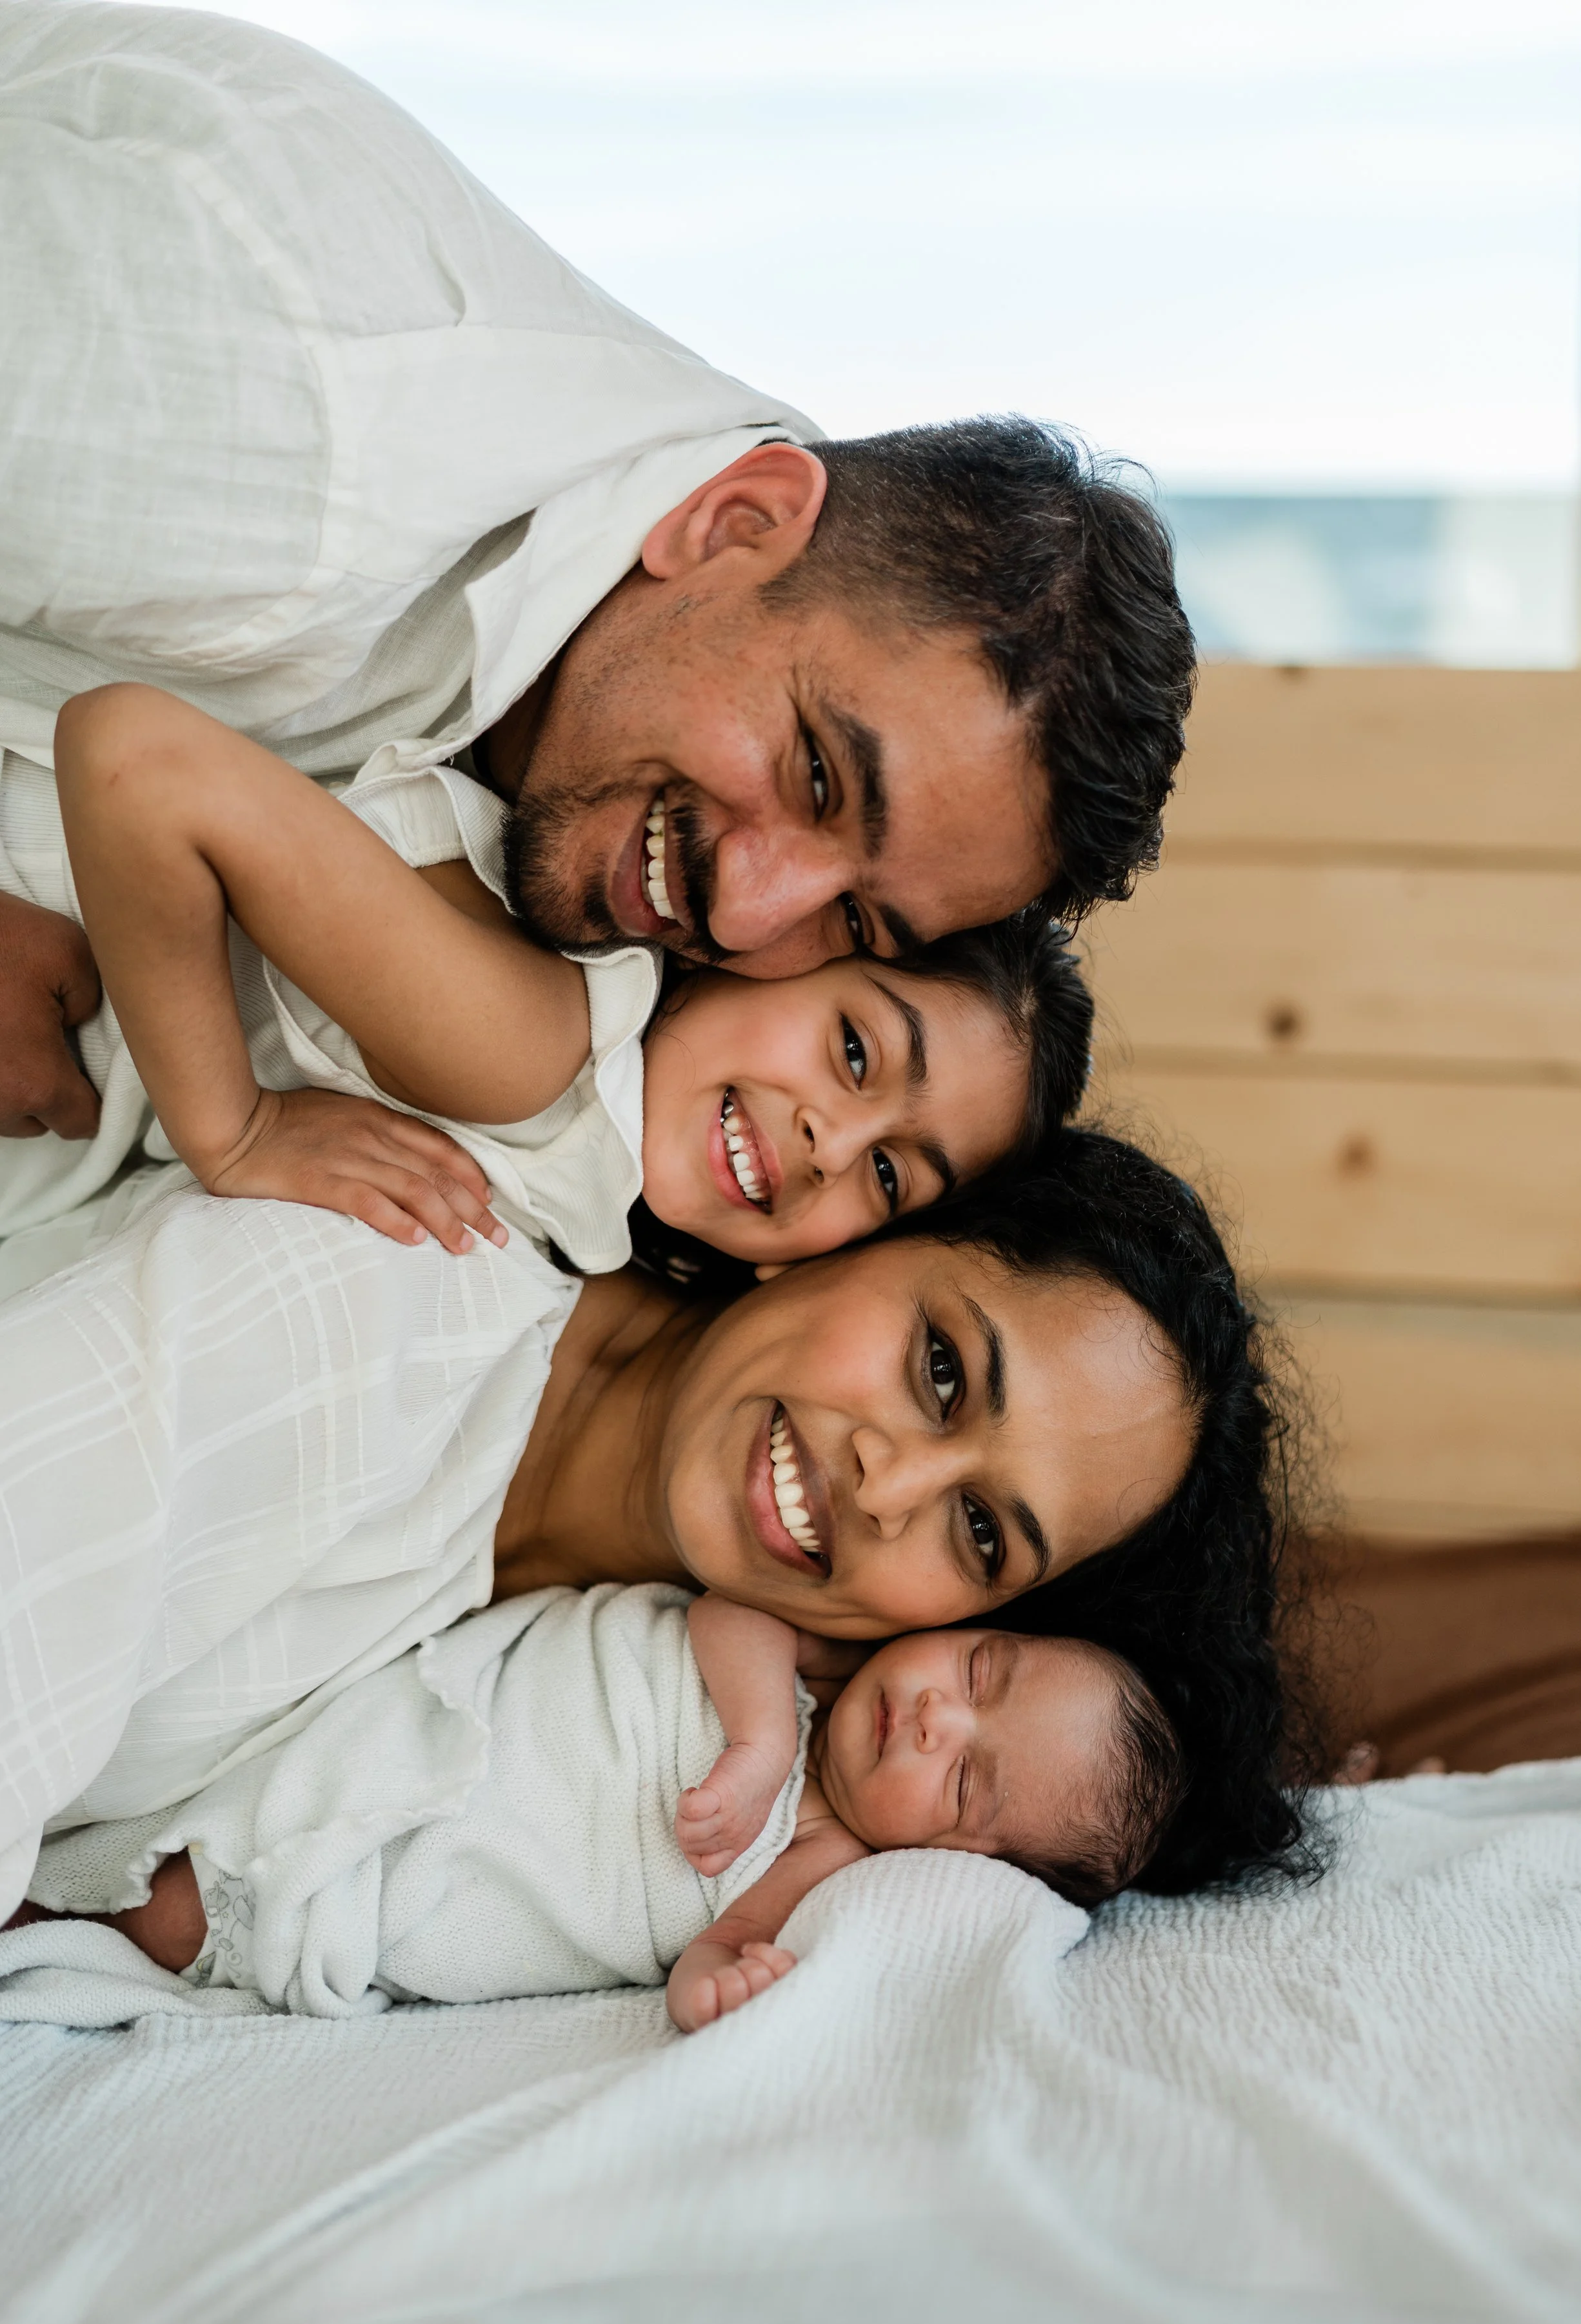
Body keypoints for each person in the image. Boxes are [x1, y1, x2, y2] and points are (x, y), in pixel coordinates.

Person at [0, 2, 1194, 1206]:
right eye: (820, 776)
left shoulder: (697, 641)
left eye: (860, 923)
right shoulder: (278, 430)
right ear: (733, 523)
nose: (750, 917)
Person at [0, 1129, 1310, 1923]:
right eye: (941, 1370)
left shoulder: (553, 1688)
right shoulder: (385, 1284)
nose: (888, 1484)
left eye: (977, 1533)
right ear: (848, 1233)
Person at [3, 682, 1091, 1278]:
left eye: (892, 1179)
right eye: (856, 1052)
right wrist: (234, 1132)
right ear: (770, 954)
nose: (832, 1146)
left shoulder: (567, 1152)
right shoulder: (529, 1050)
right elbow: (136, 761)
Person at [10, 1583, 1248, 2032]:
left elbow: (712, 1944)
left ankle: (33, 1918)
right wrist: (763, 1735)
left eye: (967, 1776)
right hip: (420, 1719)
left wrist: (716, 1985)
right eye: (981, 1673)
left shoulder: (822, 1864)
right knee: (175, 1767)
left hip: (432, 1880)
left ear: (967, 1858)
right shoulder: (815, 1658)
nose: (936, 1718)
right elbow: (724, 1605)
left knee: (182, 1912)